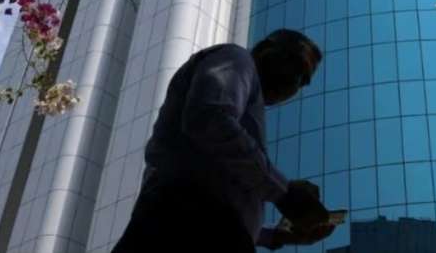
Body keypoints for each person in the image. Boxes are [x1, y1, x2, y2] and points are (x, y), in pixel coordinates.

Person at [112, 29, 334, 252]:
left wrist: (275, 236)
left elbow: (222, 200)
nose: (294, 81)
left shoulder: (245, 102)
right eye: (293, 64)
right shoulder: (237, 59)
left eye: (303, 80)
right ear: (266, 48)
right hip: (180, 218)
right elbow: (209, 120)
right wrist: (284, 192)